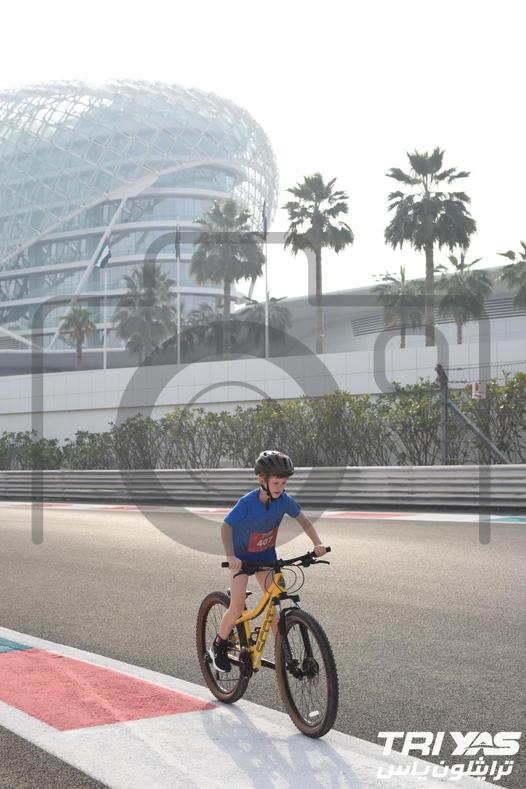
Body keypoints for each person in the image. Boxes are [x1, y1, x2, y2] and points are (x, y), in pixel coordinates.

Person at [208, 450, 328, 673]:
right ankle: (218, 646)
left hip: (266, 558)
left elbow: (303, 521)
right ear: (262, 479)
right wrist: (230, 556)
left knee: (277, 604)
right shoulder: (247, 503)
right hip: (242, 560)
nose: (280, 487)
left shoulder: (284, 501)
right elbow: (226, 527)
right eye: (276, 482)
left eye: (284, 483)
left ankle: (284, 655)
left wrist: (317, 543)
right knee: (236, 607)